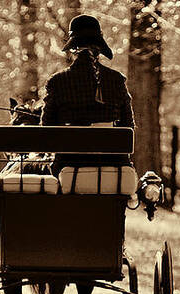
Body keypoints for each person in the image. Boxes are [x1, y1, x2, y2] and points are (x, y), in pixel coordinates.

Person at [41, 14, 134, 175]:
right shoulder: (116, 80)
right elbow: (128, 125)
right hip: (114, 164)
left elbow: (47, 126)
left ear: (73, 48)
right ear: (99, 48)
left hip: (68, 165)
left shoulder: (57, 81)